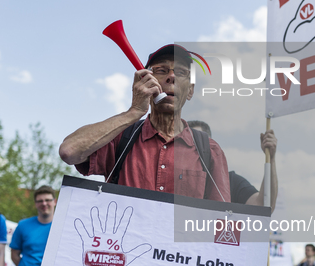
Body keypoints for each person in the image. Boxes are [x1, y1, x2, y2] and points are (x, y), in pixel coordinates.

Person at [59, 44, 231, 202]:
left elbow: (222, 220)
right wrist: (133, 111)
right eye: (161, 70)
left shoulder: (209, 150)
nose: (171, 77)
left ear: (190, 90)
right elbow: (69, 151)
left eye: (180, 73)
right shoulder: (121, 138)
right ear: (145, 81)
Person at [187, 120, 277, 210]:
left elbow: (262, 205)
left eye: (198, 143)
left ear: (211, 146)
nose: (193, 151)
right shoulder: (176, 182)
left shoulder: (231, 182)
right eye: (187, 144)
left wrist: (271, 158)